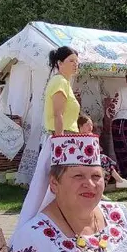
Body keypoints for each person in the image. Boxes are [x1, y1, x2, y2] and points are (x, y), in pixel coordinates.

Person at [17, 46, 79, 188]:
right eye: (71, 61)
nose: (75, 64)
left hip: (67, 135)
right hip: (62, 136)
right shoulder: (59, 82)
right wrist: (60, 142)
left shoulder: (65, 83)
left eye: (76, 61)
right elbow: (58, 114)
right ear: (60, 63)